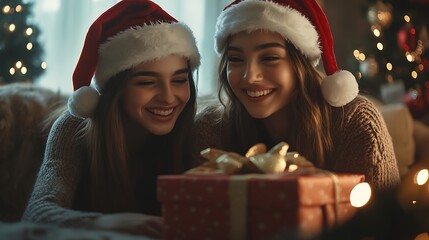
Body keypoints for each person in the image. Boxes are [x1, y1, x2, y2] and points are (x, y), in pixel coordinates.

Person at [22, 0, 200, 238]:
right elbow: (37, 212)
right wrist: (101, 223)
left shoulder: (196, 129)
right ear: (115, 90)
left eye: (179, 80)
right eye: (147, 82)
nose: (168, 98)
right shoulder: (72, 129)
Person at [194, 0, 400, 191]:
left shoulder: (356, 124)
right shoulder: (211, 129)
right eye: (236, 59)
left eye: (270, 58)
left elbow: (385, 225)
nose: (250, 77)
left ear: (300, 64)